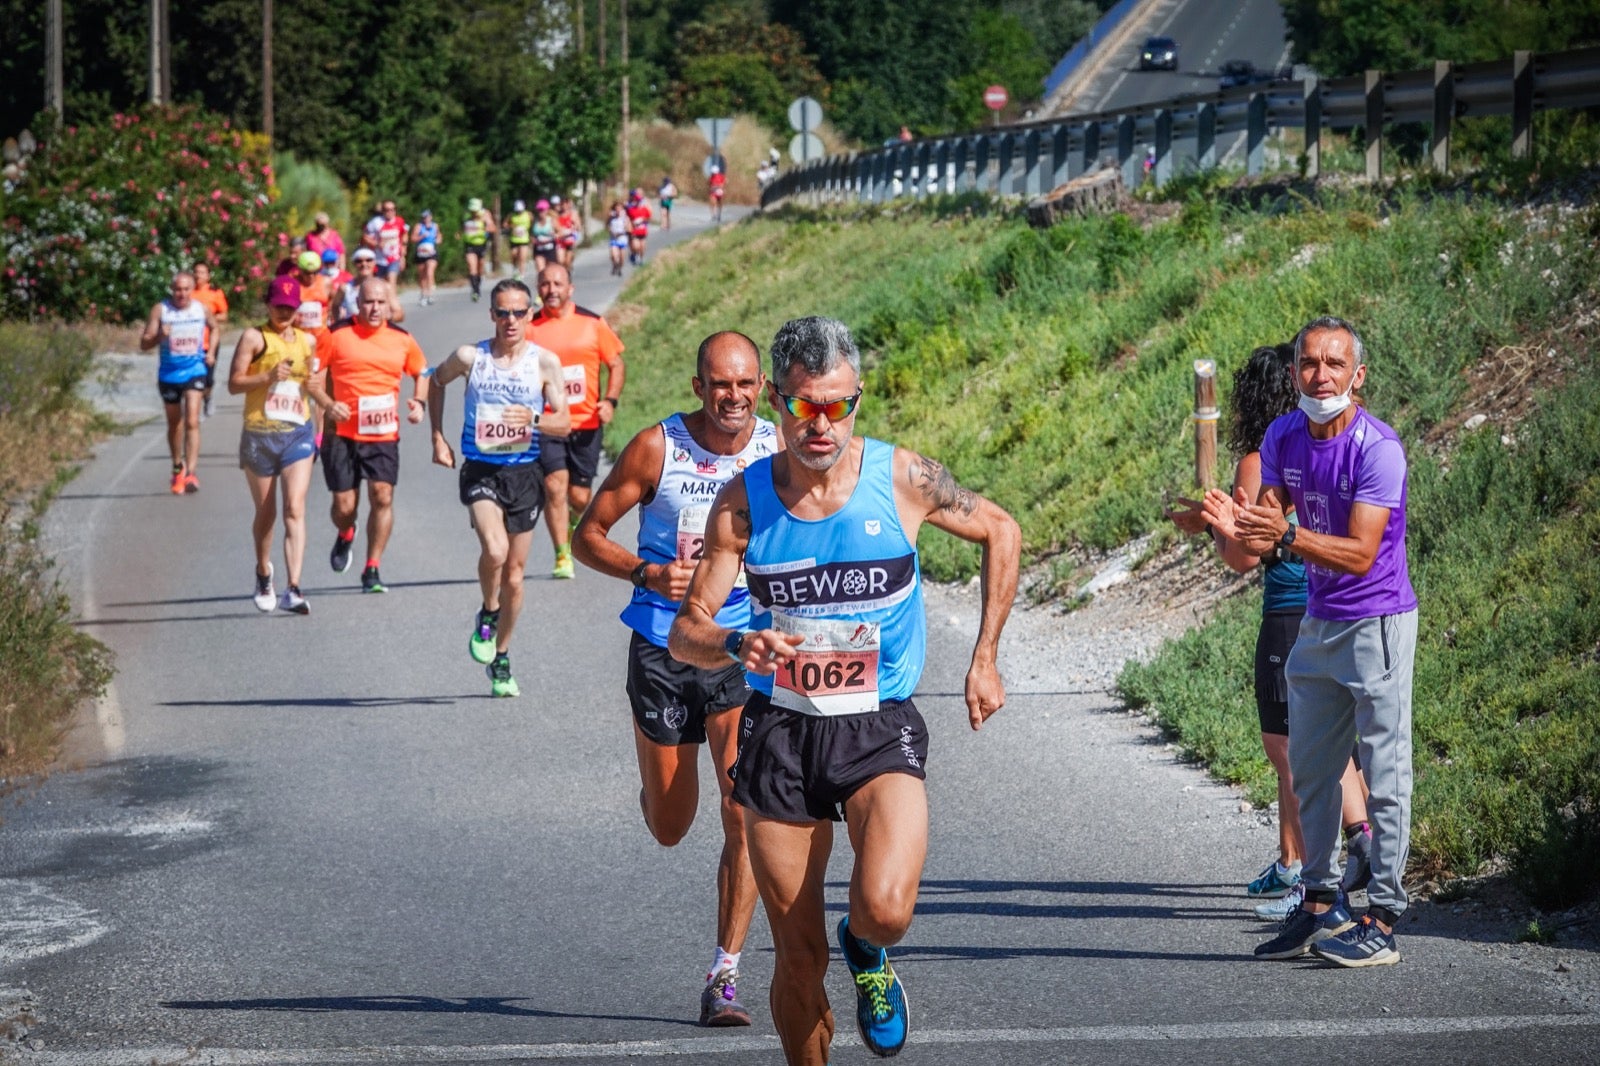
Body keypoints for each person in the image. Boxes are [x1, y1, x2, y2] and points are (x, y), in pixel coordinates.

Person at [668, 316, 1021, 1064]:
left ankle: (866, 948)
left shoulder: (904, 479)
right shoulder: (741, 503)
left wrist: (984, 656)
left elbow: (1002, 530)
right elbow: (684, 631)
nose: (820, 424)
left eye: (837, 406)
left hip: (876, 727)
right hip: (782, 732)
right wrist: (737, 641)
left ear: (858, 400)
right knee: (798, 962)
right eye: (802, 406)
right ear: (775, 400)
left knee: (888, 911)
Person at [572, 331, 780, 1028]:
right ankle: (654, 774)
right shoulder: (656, 447)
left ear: (762, 386)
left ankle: (725, 975)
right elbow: (587, 533)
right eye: (721, 384)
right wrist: (644, 571)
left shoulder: (777, 451)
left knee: (741, 808)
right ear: (699, 387)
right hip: (662, 648)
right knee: (670, 824)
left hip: (735, 646)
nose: (734, 396)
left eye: (746, 383)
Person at [1205, 316, 1418, 968]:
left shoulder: (1378, 449)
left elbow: (1358, 552)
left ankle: (1382, 917)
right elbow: (1255, 542)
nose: (1319, 376)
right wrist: (1223, 524)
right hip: (1318, 623)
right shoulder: (1282, 434)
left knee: (1384, 775)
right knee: (1312, 771)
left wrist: (1284, 534)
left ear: (1358, 376)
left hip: (1375, 620)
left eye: (1334, 364)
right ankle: (1321, 904)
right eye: (1308, 363)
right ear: (1295, 370)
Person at [1165, 345, 1372, 923]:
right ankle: (1313, 863)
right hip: (1340, 603)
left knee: (1291, 750)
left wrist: (1218, 523)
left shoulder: (1260, 461)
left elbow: (1244, 556)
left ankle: (1322, 877)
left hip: (1289, 609)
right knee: (1323, 743)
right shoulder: (1331, 447)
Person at [429, 279, 571, 697]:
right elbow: (436, 382)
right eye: (502, 312)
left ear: (531, 314)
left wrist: (531, 420)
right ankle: (488, 611)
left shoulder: (545, 363)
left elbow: (563, 422)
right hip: (481, 470)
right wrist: (438, 437)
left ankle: (502, 654)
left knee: (515, 576)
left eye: (518, 312)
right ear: (492, 314)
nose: (510, 320)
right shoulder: (470, 357)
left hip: (524, 473)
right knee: (495, 550)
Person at [313, 278, 430, 594]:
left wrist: (418, 403)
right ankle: (346, 531)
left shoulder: (401, 339)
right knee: (344, 506)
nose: (374, 308)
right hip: (341, 432)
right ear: (357, 303)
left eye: (381, 302)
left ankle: (372, 567)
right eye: (368, 302)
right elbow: (312, 380)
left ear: (389, 303)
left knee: (382, 495)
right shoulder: (335, 335)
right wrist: (328, 404)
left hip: (382, 432)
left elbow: (422, 372)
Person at [228, 275, 320, 615]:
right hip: (259, 434)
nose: (284, 312)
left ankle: (293, 588)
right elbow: (234, 384)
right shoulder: (254, 337)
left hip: (298, 432)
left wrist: (322, 425)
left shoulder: (308, 341)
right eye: (279, 306)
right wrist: (266, 377)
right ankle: (264, 570)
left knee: (294, 507)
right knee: (266, 513)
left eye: (290, 307)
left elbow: (311, 386)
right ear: (267, 304)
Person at [527, 264, 625, 579]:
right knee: (554, 486)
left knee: (580, 496)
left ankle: (573, 524)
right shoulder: (529, 327)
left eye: (558, 283)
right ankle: (561, 555)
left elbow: (616, 363)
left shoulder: (593, 324)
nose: (551, 289)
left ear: (570, 289)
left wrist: (609, 400)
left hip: (585, 423)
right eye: (544, 284)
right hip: (548, 423)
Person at [140, 271, 219, 494]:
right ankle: (177, 467)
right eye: (177, 289)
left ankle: (191, 473)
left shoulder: (200, 309)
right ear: (171, 290)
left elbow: (215, 328)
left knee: (192, 419)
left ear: (192, 290)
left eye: (185, 289)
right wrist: (159, 337)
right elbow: (144, 344)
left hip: (195, 370)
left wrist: (210, 352)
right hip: (168, 375)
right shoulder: (161, 310)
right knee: (175, 423)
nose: (181, 294)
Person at [191, 262, 229, 420]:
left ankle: (208, 397)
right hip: (191, 344)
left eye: (202, 272)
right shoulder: (188, 293)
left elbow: (224, 315)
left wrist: (208, 317)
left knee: (208, 378)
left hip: (209, 342)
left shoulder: (215, 293)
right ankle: (195, 409)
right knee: (193, 378)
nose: (198, 275)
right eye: (196, 272)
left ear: (208, 276)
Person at [333, 249, 405, 327]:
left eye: (368, 260)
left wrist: (384, 317)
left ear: (375, 262)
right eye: (359, 261)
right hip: (352, 334)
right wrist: (340, 322)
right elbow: (334, 307)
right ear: (354, 263)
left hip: (377, 333)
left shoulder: (385, 287)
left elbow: (399, 314)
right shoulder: (345, 288)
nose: (364, 264)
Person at [367, 200, 408, 285]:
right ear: (383, 211)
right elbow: (365, 237)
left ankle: (392, 297)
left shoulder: (400, 221)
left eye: (393, 209)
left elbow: (404, 235)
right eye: (387, 210)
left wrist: (403, 257)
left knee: (391, 279)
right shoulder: (375, 222)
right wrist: (376, 244)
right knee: (380, 284)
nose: (390, 212)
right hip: (379, 259)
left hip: (394, 258)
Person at [462, 197, 496, 302]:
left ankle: (478, 284)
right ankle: (475, 290)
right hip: (469, 245)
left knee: (480, 268)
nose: (473, 213)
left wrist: (486, 227)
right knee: (472, 267)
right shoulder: (466, 216)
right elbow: (462, 228)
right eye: (472, 210)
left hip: (481, 244)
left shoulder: (485, 215)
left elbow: (493, 228)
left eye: (475, 211)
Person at [412, 209, 441, 305]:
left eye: (427, 217)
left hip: (431, 253)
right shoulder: (419, 226)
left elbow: (439, 236)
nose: (426, 219)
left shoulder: (435, 226)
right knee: (422, 275)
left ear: (431, 217)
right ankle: (423, 294)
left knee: (430, 271)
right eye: (424, 217)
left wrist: (438, 240)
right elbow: (413, 238)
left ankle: (430, 294)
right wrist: (422, 236)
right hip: (421, 253)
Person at [505, 199, 533, 279]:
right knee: (514, 254)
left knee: (522, 257)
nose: (519, 212)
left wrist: (530, 232)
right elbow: (505, 224)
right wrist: (512, 227)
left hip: (524, 239)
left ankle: (521, 274)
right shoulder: (511, 215)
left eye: (520, 210)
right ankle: (515, 269)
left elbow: (532, 223)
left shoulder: (528, 214)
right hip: (514, 239)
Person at [531, 199, 558, 277]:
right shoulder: (534, 221)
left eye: (542, 210)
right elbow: (532, 235)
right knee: (540, 271)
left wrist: (554, 235)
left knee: (551, 271)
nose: (540, 212)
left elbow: (560, 232)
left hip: (550, 249)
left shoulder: (552, 221)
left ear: (547, 210)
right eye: (539, 210)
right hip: (538, 249)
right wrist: (533, 240)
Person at [626, 189, 652, 266]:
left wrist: (643, 220)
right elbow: (627, 218)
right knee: (636, 246)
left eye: (638, 200)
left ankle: (641, 258)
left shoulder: (644, 209)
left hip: (643, 231)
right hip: (634, 231)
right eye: (635, 200)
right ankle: (635, 255)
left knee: (642, 247)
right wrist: (630, 224)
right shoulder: (630, 209)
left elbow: (649, 217)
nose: (636, 202)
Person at [554, 197, 580, 270]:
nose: (564, 206)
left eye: (565, 204)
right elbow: (555, 227)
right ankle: (564, 274)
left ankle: (567, 274)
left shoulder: (573, 214)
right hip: (560, 240)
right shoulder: (557, 215)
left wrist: (574, 227)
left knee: (567, 261)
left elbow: (578, 226)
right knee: (560, 261)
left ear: (568, 205)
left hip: (570, 240)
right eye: (562, 204)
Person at [607, 202, 629, 277]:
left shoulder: (624, 217)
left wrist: (622, 231)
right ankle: (615, 265)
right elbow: (608, 226)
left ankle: (620, 268)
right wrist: (611, 232)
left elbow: (627, 227)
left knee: (622, 258)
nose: (618, 210)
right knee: (614, 255)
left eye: (620, 208)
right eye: (616, 208)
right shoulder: (611, 217)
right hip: (614, 239)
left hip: (622, 239)